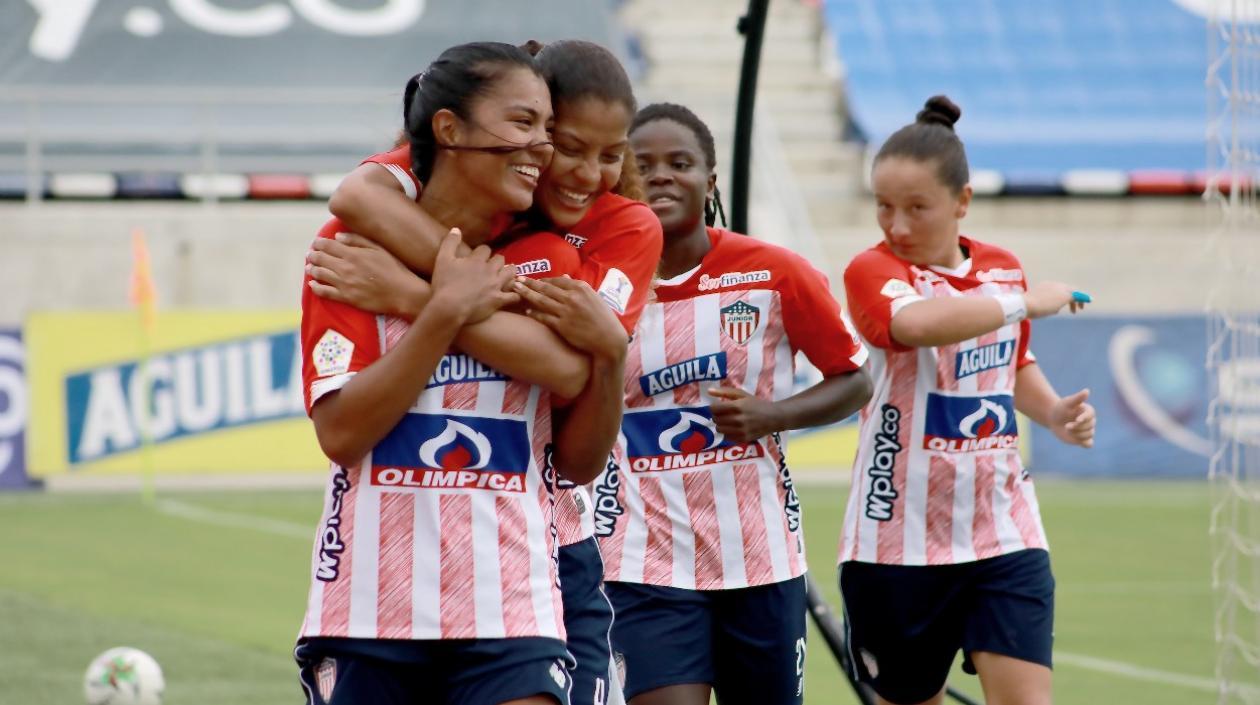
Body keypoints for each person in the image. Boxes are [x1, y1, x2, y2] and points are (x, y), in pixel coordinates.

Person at [306, 39, 661, 705]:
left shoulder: (565, 249)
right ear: (449, 130)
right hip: (369, 601)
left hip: (523, 586)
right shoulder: (350, 248)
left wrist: (425, 301)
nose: (561, 161)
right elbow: (342, 433)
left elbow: (568, 382)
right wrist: (446, 304)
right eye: (535, 129)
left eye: (549, 133)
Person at [556, 102, 872, 705]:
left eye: (681, 163)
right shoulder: (591, 283)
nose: (662, 175)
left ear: (711, 181)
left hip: (760, 559)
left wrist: (776, 415)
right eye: (640, 164)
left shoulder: (774, 273)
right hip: (639, 559)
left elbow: (854, 379)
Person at [837, 95, 1097, 705]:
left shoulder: (1003, 269)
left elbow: (1012, 362)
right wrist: (1023, 303)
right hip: (894, 543)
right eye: (884, 207)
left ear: (962, 202)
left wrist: (1055, 412)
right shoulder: (871, 272)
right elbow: (917, 325)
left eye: (917, 208)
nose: (897, 226)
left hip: (1002, 531)